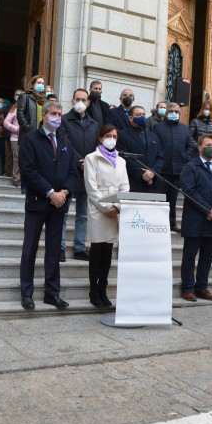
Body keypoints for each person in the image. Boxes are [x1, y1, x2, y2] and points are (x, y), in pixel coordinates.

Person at [18, 101, 78, 310]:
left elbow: (72, 171)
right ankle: (27, 293)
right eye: (53, 113)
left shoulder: (64, 139)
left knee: (54, 250)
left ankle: (52, 293)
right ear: (44, 115)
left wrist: (64, 192)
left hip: (59, 204)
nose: (57, 117)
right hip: (37, 203)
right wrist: (50, 192)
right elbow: (28, 171)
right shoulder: (30, 139)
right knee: (30, 249)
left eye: (60, 114)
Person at [179, 134, 212, 302]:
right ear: (200, 147)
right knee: (190, 255)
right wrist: (207, 209)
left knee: (207, 256)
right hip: (195, 218)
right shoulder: (190, 167)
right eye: (208, 144)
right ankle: (188, 287)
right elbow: (189, 191)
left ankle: (202, 287)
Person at [84, 124, 130, 307]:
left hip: (115, 210)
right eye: (108, 136)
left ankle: (103, 288)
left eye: (115, 136)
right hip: (99, 208)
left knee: (108, 252)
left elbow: (125, 186)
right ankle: (93, 290)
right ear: (101, 138)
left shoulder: (121, 161)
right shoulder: (91, 158)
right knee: (97, 251)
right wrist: (106, 207)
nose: (112, 139)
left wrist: (118, 206)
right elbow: (91, 187)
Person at [59, 88, 99, 261]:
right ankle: (59, 247)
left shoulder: (94, 124)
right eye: (78, 99)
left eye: (84, 99)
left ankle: (79, 247)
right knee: (63, 213)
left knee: (83, 214)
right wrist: (79, 161)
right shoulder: (63, 121)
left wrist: (89, 162)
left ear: (89, 102)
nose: (81, 102)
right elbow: (63, 142)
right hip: (68, 171)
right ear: (72, 101)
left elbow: (97, 146)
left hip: (87, 173)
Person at [152, 102, 196, 232]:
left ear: (180, 114)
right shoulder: (157, 127)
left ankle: (172, 223)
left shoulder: (184, 129)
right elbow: (154, 145)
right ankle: (158, 222)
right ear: (166, 113)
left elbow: (190, 146)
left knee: (173, 198)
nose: (174, 113)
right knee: (160, 198)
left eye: (176, 111)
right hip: (162, 170)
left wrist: (186, 158)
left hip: (178, 170)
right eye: (171, 111)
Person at [116, 106, 163, 193]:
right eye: (138, 115)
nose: (142, 117)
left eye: (143, 114)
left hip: (152, 183)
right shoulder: (122, 135)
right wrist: (143, 175)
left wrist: (152, 173)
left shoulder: (153, 135)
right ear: (130, 118)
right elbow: (125, 158)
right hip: (133, 182)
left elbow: (159, 157)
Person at [16, 75, 47, 139]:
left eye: (42, 83)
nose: (41, 85)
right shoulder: (25, 96)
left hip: (41, 133)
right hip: (29, 132)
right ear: (33, 84)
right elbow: (20, 113)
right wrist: (27, 127)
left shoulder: (44, 99)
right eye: (39, 83)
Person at [3, 89, 24, 187]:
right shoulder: (14, 109)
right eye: (17, 95)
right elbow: (6, 123)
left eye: (21, 95)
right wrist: (17, 129)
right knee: (17, 158)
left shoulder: (27, 108)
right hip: (15, 138)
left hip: (26, 138)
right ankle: (16, 179)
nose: (19, 97)